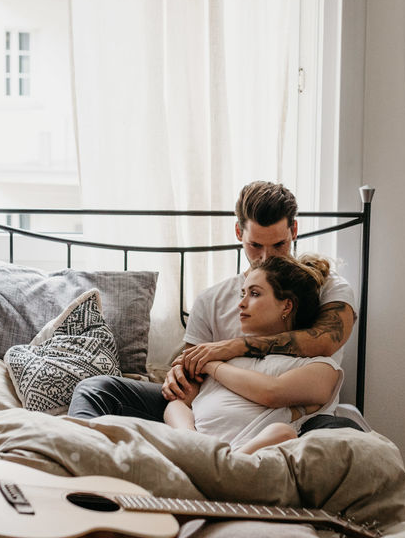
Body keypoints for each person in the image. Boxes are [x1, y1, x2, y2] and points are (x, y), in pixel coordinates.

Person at [68, 180, 361, 430]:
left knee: (346, 435)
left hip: (295, 416)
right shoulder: (213, 299)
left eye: (279, 245)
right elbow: (190, 369)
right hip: (211, 410)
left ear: (294, 230)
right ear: (239, 234)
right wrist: (178, 376)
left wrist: (232, 347)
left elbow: (324, 341)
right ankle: (77, 467)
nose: (267, 256)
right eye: (256, 246)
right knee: (97, 389)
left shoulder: (328, 286)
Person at [164, 255, 344, 453]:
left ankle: (224, 466)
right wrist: (189, 437)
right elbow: (178, 404)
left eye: (255, 294)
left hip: (245, 455)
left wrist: (211, 365)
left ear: (286, 306)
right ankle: (205, 463)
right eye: (243, 294)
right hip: (193, 449)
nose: (241, 303)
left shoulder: (321, 367)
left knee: (281, 433)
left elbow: (272, 393)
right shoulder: (227, 357)